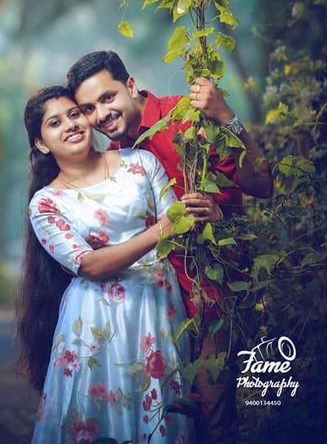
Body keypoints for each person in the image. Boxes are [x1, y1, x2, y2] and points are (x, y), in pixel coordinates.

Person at [66, 50, 273, 444]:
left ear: (130, 85)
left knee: (215, 419)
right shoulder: (112, 159)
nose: (101, 114)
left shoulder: (186, 116)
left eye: (108, 98)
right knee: (164, 423)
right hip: (153, 314)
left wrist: (228, 117)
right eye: (89, 108)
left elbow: (263, 184)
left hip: (212, 296)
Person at [17, 85, 196, 444]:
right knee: (97, 420)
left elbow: (182, 225)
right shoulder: (46, 203)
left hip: (156, 307)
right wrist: (158, 231)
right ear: (41, 143)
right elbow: (90, 265)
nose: (70, 124)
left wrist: (171, 226)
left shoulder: (140, 162)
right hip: (93, 321)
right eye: (55, 123)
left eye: (74, 114)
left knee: (162, 410)